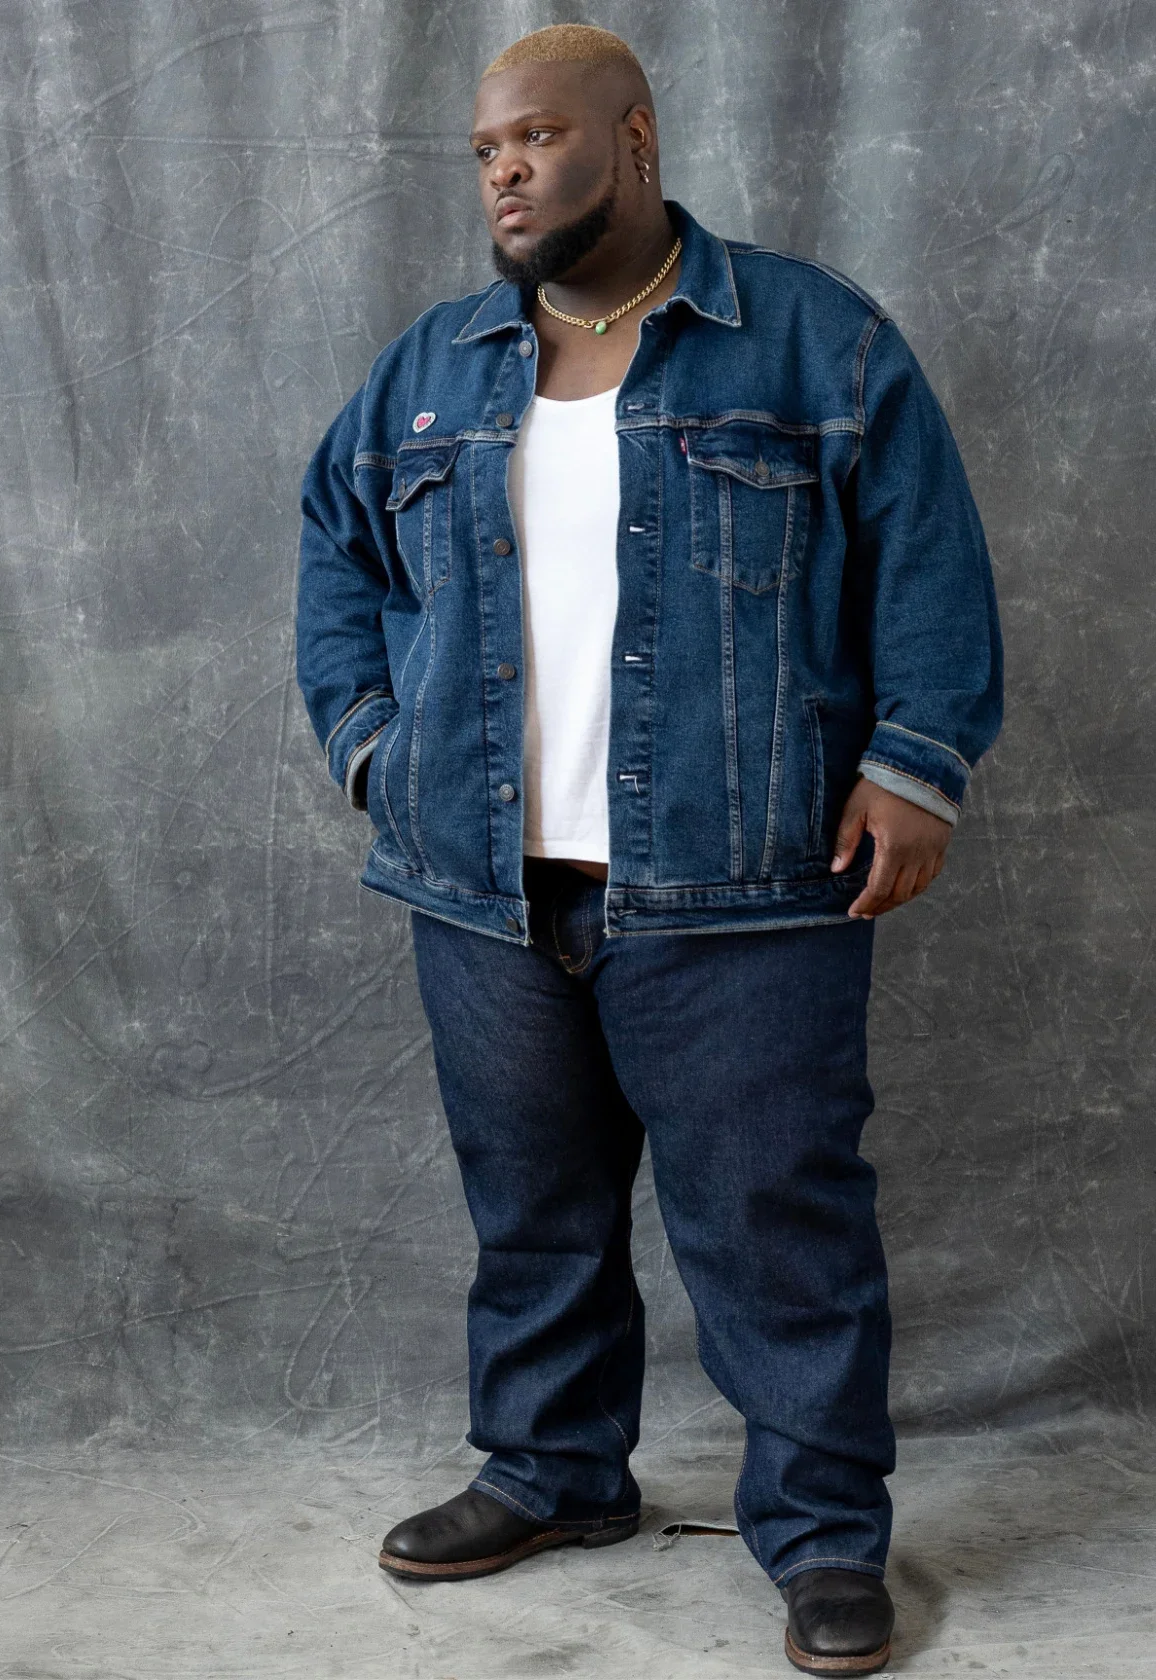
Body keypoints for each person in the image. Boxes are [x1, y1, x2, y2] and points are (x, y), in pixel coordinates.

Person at [294, 23, 1003, 1676]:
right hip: (481, 882)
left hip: (746, 880)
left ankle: (826, 1537)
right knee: (531, 1207)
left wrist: (914, 766)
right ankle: (552, 1470)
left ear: (635, 134)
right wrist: (372, 751)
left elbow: (934, 566)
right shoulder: (434, 367)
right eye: (485, 153)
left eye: (536, 137)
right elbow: (334, 553)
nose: (508, 172)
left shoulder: (812, 343)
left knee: (777, 1219)